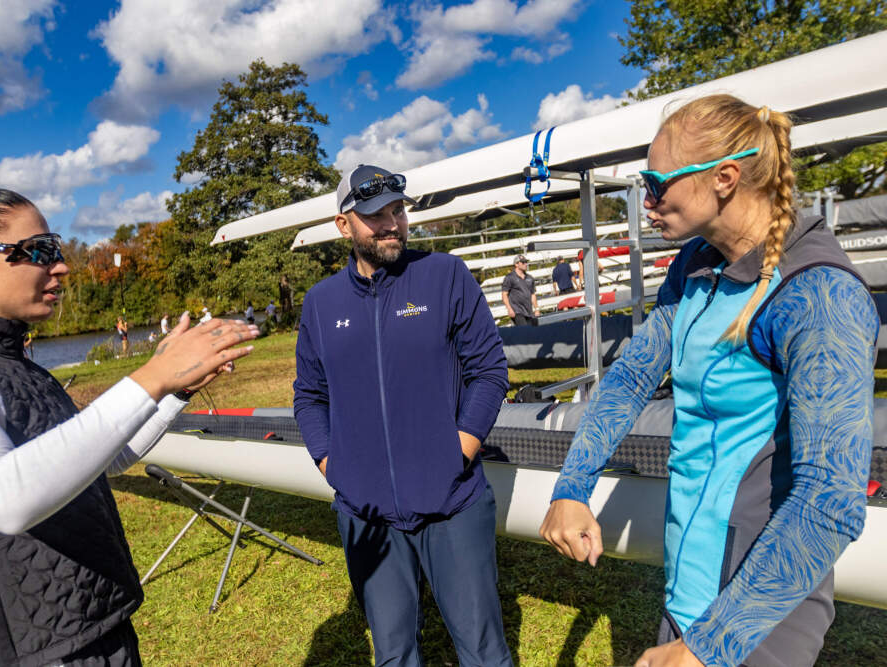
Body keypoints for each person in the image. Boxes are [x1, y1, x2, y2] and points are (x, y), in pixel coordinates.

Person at [538, 96, 877, 667]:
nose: (646, 200)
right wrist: (571, 487)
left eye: (656, 182)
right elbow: (627, 381)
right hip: (689, 586)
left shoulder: (821, 292)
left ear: (724, 179)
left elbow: (830, 500)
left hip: (760, 616)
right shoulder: (694, 264)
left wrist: (708, 647)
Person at [0, 167, 259, 666]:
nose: (60, 266)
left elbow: (97, 463)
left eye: (56, 249)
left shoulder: (8, 363)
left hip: (90, 630)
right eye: (38, 251)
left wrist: (175, 388)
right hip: (29, 652)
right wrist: (151, 376)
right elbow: (4, 498)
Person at [294, 164, 512, 666]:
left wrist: (460, 449)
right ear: (343, 225)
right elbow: (309, 394)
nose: (392, 223)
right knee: (393, 655)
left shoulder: (443, 276)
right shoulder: (322, 303)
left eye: (398, 210)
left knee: (483, 652)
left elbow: (489, 370)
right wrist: (332, 463)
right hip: (366, 514)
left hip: (452, 502)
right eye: (375, 215)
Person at [501, 254, 540, 325]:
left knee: (532, 332)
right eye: (523, 262)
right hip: (517, 311)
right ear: (516, 264)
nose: (525, 264)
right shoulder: (510, 277)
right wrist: (509, 309)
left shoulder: (530, 278)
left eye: (526, 262)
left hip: (529, 311)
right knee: (525, 331)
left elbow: (533, 294)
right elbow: (504, 295)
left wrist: (537, 309)